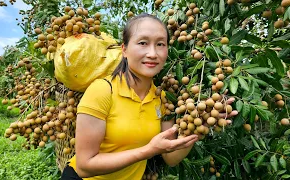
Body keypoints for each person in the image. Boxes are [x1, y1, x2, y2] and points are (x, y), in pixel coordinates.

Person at [61, 13, 236, 180]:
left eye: (160, 44)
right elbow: (85, 166)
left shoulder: (162, 98)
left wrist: (199, 127)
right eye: (143, 43)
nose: (152, 53)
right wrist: (148, 151)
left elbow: (171, 158)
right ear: (124, 49)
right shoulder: (103, 90)